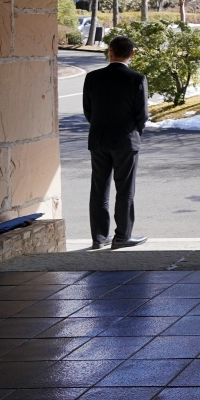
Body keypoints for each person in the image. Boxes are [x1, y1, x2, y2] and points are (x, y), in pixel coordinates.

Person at [82, 35, 150, 250]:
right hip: (126, 140)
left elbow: (88, 110)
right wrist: (134, 131)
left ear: (109, 52)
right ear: (132, 54)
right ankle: (122, 236)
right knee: (125, 190)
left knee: (99, 190)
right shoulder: (137, 79)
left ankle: (99, 238)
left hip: (99, 139)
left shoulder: (92, 77)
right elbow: (143, 114)